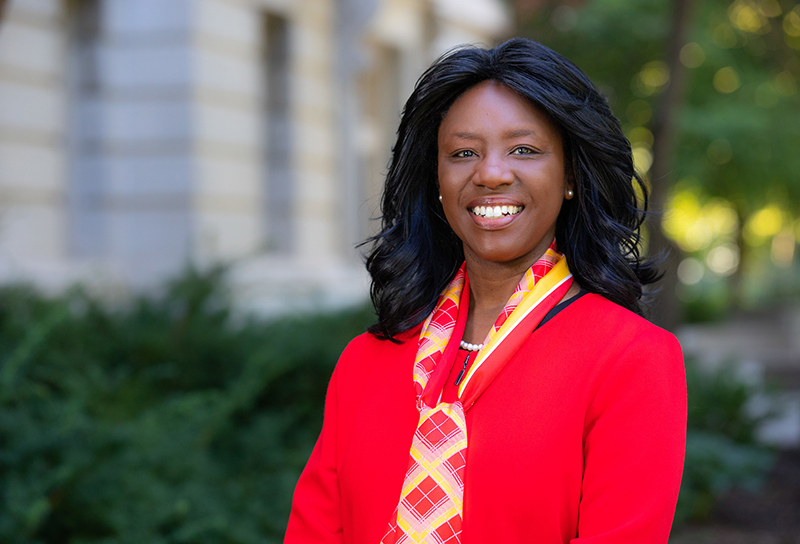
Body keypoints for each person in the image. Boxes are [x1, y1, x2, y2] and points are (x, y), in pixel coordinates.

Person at [284, 38, 686, 544]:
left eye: (524, 149)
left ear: (570, 176)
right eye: (463, 152)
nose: (491, 173)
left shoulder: (631, 360)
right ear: (436, 178)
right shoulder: (364, 364)